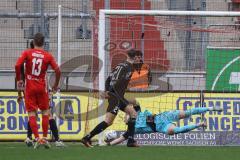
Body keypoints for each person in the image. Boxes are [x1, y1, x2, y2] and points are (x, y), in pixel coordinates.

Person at [80, 49, 139, 147]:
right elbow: (120, 81)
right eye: (138, 57)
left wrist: (108, 90)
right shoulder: (129, 68)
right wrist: (112, 91)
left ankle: (131, 141)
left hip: (117, 96)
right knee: (108, 121)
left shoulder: (119, 65)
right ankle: (87, 138)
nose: (139, 60)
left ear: (127, 55)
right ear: (136, 57)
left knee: (133, 113)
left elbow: (108, 79)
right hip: (116, 96)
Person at [15, 33, 61, 149]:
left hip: (29, 87)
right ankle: (45, 138)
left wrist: (20, 81)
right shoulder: (48, 56)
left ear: (33, 42)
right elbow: (58, 71)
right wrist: (55, 86)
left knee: (31, 113)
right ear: (44, 43)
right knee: (46, 112)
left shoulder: (27, 53)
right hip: (42, 87)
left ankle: (37, 138)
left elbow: (17, 65)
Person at [106, 105, 223, 146]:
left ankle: (211, 108)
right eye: (125, 118)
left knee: (188, 112)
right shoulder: (131, 130)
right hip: (160, 128)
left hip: (164, 116)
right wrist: (109, 144)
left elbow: (133, 101)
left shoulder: (138, 112)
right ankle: (200, 124)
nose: (125, 117)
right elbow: (120, 139)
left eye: (126, 114)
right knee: (174, 131)